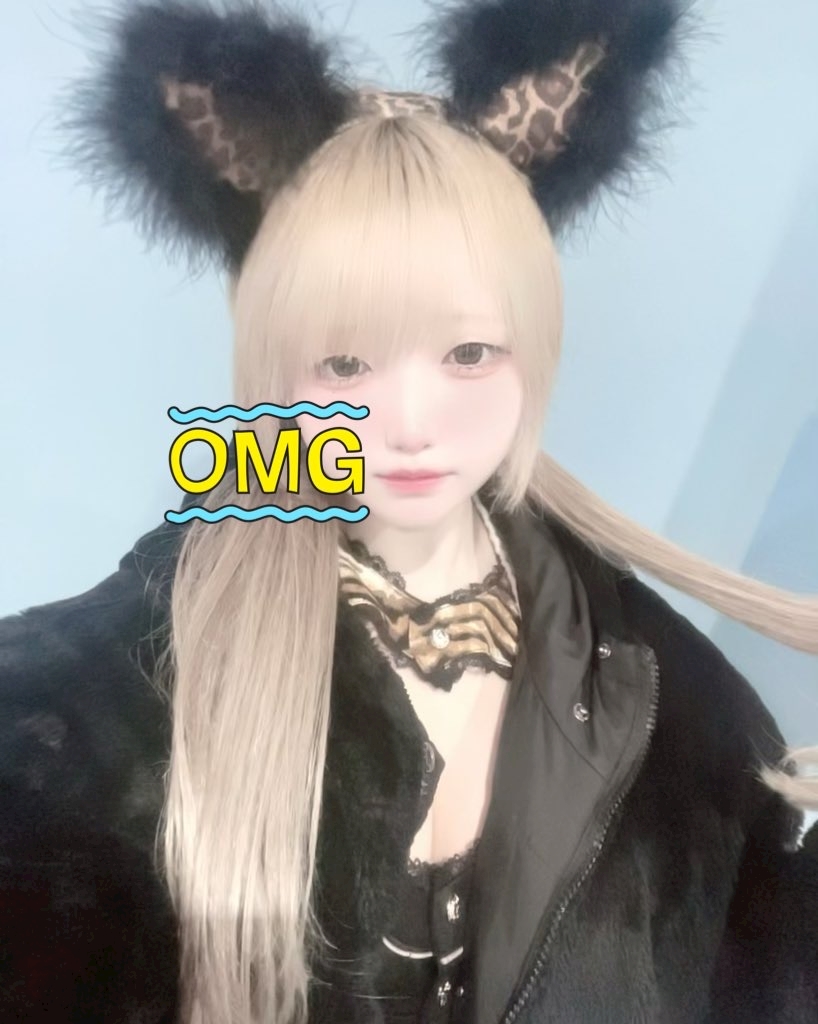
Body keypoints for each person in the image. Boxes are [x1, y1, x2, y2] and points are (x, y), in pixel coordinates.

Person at [1, 1, 817, 1022]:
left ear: (532, 345)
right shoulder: (81, 718)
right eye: (344, 363)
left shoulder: (681, 710)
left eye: (468, 352)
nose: (410, 425)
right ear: (272, 368)